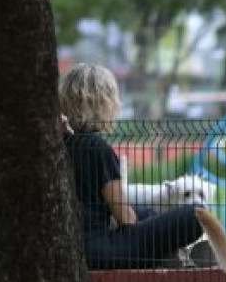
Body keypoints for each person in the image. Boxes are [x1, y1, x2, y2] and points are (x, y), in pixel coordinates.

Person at [59, 63, 207, 270]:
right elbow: (125, 219)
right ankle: (172, 254)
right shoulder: (98, 149)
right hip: (99, 252)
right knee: (196, 215)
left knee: (146, 213)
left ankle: (167, 254)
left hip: (69, 246)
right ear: (104, 103)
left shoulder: (60, 145)